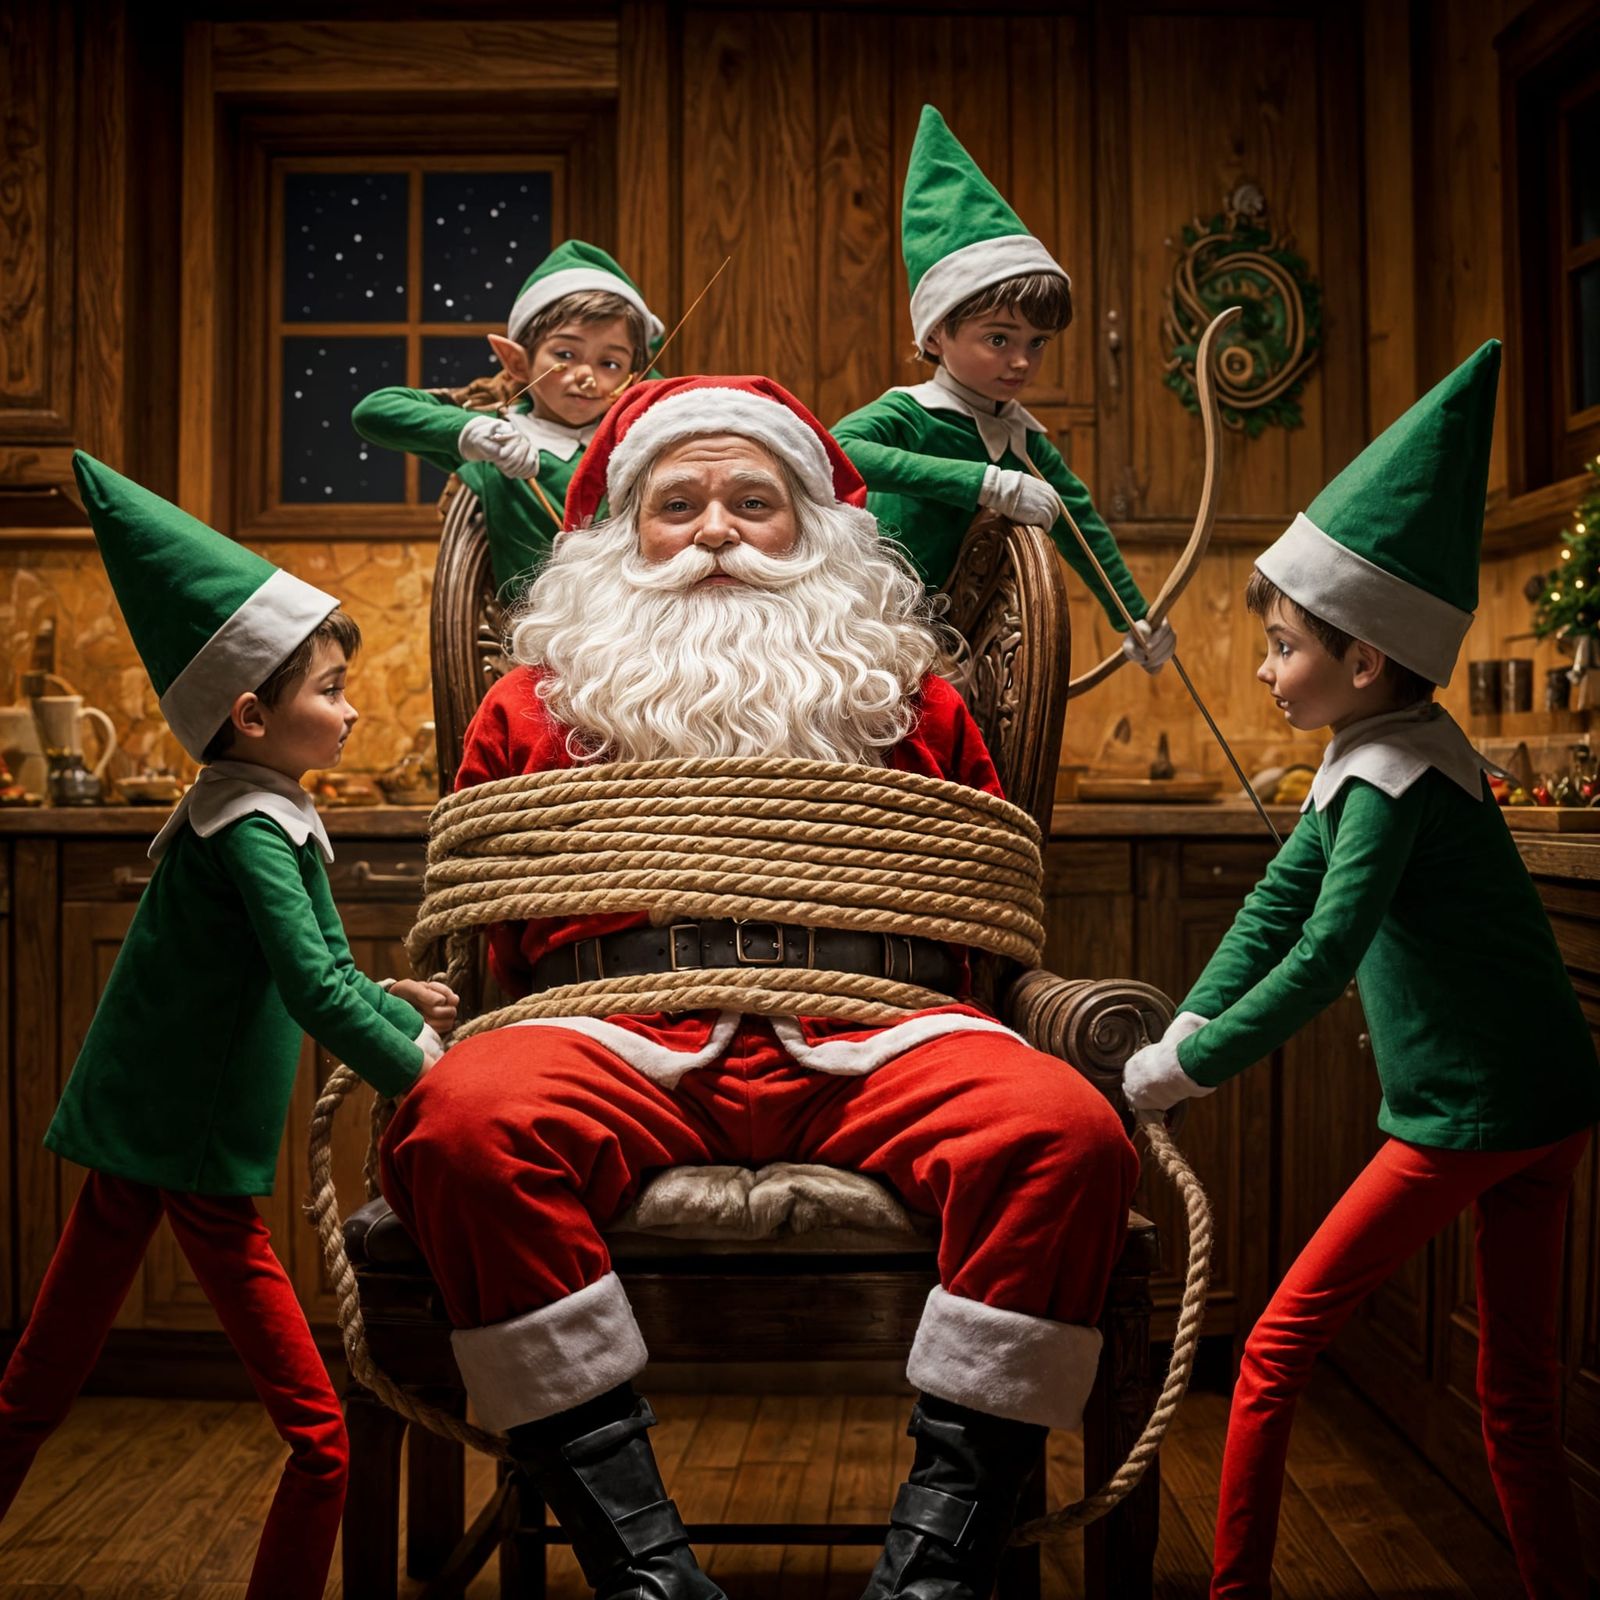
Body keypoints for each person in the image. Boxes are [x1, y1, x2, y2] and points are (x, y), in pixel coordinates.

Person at [379, 375, 1140, 1600]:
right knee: (462, 1123)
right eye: (676, 504)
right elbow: (491, 927)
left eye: (753, 499)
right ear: (623, 535)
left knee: (1063, 1132)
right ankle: (644, 1564)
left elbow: (983, 904)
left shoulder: (911, 695)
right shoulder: (536, 704)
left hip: (879, 1026)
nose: (717, 529)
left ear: (815, 529)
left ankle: (935, 1563)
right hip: (608, 1026)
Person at [1123, 341, 1600, 1600]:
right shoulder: (1390, 745)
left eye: (1284, 647)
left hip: (1469, 1112)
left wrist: (1189, 1066)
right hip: (1546, 1096)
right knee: (1518, 1399)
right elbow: (1279, 904)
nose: (1270, 671)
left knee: (1274, 1347)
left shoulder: (1387, 780)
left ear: (1364, 660)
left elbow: (1326, 950)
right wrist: (1188, 1019)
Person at [0, 454, 455, 1599]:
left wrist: (386, 999)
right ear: (252, 712)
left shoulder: (258, 807)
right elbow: (308, 988)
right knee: (322, 1439)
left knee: (35, 1386)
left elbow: (313, 968)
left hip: (142, 1126)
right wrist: (424, 1073)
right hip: (188, 1146)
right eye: (332, 690)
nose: (352, 711)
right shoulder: (255, 825)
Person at [833, 105, 1173, 675]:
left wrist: (1134, 617)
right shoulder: (911, 413)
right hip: (863, 630)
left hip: (955, 644)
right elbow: (839, 450)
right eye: (998, 338)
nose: (1021, 361)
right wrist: (985, 483)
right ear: (937, 334)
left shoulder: (1019, 437)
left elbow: (1078, 521)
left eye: (1038, 342)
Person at [353, 238, 663, 592]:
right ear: (517, 361)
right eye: (564, 355)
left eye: (610, 363)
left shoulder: (639, 436)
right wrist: (471, 432)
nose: (586, 375)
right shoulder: (499, 443)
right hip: (538, 630)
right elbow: (373, 411)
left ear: (633, 375)